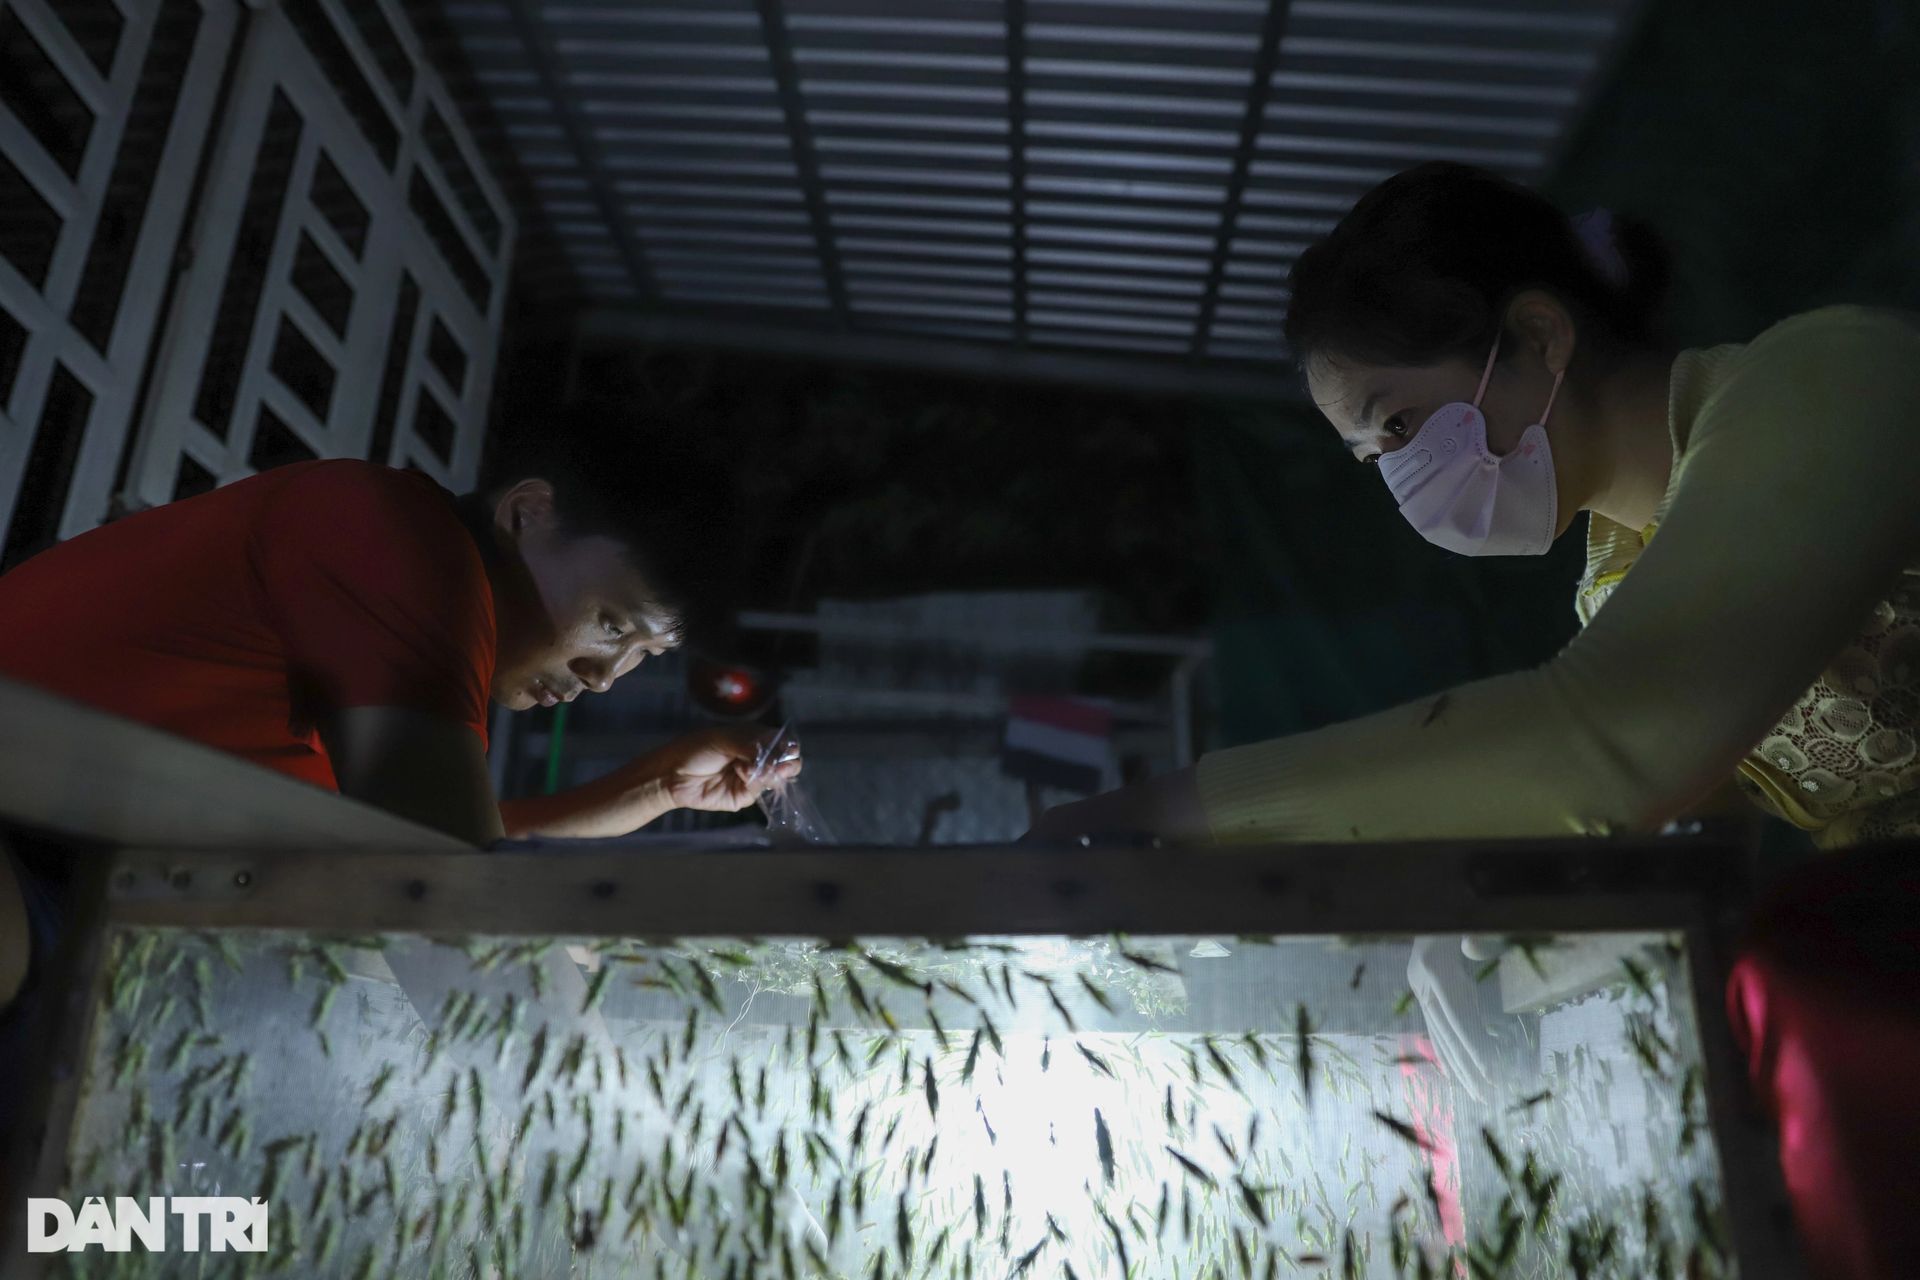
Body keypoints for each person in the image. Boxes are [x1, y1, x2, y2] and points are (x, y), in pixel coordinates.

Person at [1033, 161, 1920, 852]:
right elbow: (1679, 819)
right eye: (1375, 457)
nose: (1403, 473)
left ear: (1537, 337)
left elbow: (1605, 740)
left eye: (1403, 422)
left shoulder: (1827, 376)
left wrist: (1170, 809)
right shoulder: (1615, 592)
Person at [0, 406, 801, 1010]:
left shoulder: (421, 602)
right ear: (528, 513)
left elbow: (436, 854)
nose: (603, 676)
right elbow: (450, 910)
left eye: (641, 658)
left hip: (79, 865)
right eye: (611, 626)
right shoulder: (399, 553)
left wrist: (660, 790)